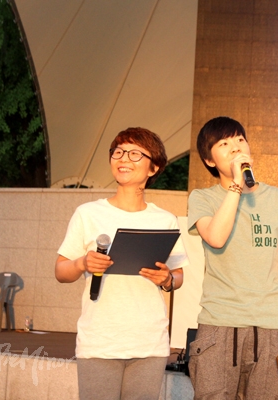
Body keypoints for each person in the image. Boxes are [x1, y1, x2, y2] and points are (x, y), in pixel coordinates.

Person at [55, 127, 189, 400]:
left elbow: (178, 276)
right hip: (99, 342)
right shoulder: (88, 213)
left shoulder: (165, 220)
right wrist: (82, 263)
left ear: (154, 167)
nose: (123, 158)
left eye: (135, 153)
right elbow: (61, 270)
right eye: (118, 152)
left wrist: (166, 279)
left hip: (149, 343)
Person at [187, 116, 278, 399]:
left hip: (272, 325)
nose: (235, 147)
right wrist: (236, 186)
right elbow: (216, 238)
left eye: (240, 139)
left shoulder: (275, 197)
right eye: (224, 143)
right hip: (219, 324)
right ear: (209, 160)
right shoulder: (203, 198)